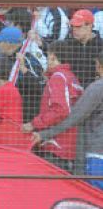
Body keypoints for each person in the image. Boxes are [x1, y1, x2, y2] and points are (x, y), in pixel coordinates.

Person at [33, 50, 103, 190]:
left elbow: (74, 117)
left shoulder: (97, 87)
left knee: (94, 196)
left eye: (96, 65)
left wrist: (44, 134)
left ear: (100, 66)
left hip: (97, 154)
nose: (95, 69)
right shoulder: (73, 79)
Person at [24, 41, 83, 169]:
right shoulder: (72, 78)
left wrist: (34, 124)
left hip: (57, 147)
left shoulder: (58, 77)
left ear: (52, 56)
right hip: (69, 147)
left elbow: (60, 110)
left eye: (47, 55)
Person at [63, 10, 103, 87]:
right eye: (73, 26)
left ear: (90, 26)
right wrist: (42, 45)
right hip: (71, 90)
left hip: (93, 91)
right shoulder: (67, 44)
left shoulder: (101, 45)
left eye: (78, 26)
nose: (74, 29)